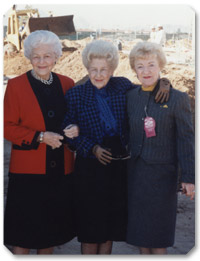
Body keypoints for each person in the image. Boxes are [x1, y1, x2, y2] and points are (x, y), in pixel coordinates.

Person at [62, 39, 171, 255]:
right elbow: (68, 133)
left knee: (109, 227)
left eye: (104, 69)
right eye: (94, 70)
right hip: (90, 169)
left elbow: (147, 88)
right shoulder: (76, 94)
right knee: (91, 228)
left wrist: (164, 82)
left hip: (117, 168)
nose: (99, 74)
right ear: (87, 68)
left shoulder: (122, 86)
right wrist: (91, 147)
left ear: (112, 70)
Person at [4, 30, 79, 255]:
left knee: (50, 233)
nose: (42, 61)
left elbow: (76, 118)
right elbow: (7, 127)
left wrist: (76, 128)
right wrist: (40, 137)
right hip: (28, 173)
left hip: (60, 171)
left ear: (56, 57)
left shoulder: (68, 83)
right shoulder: (16, 85)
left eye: (47, 56)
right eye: (36, 56)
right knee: (23, 234)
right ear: (29, 57)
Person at [126, 41, 195, 255]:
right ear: (134, 69)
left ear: (160, 66)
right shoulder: (130, 97)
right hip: (136, 175)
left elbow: (186, 139)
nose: (145, 71)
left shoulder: (178, 99)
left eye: (151, 65)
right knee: (140, 234)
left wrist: (189, 178)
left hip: (162, 178)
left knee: (158, 237)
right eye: (140, 66)